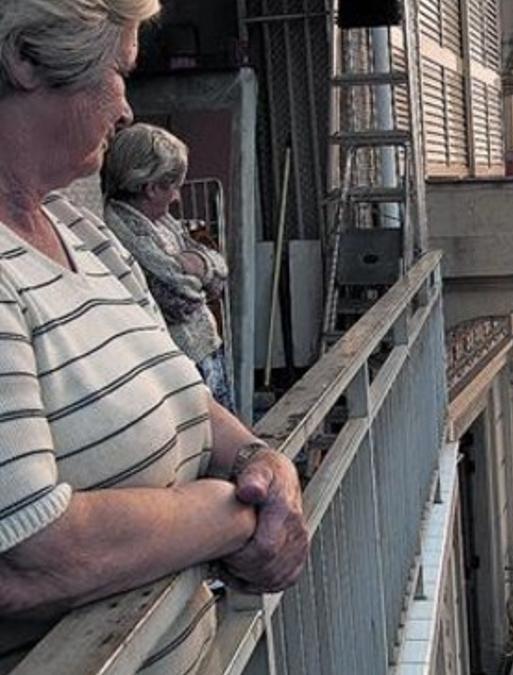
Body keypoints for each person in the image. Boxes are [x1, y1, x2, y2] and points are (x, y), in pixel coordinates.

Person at [0, 2, 307, 673]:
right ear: (25, 59)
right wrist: (235, 516)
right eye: (119, 71)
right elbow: (29, 556)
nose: (126, 109)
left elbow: (183, 393)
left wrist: (266, 462)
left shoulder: (81, 232)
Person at [101, 123, 233, 409]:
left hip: (204, 350)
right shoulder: (124, 229)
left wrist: (201, 265)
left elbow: (219, 272)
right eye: (172, 188)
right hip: (178, 364)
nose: (176, 198)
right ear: (150, 188)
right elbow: (180, 298)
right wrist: (204, 269)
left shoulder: (162, 221)